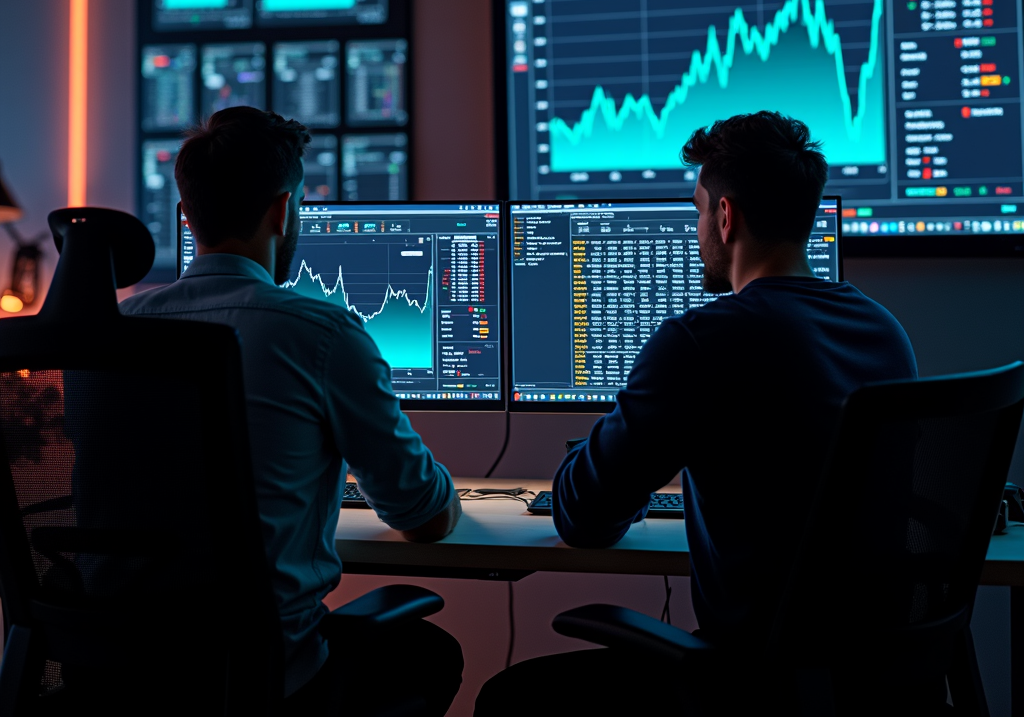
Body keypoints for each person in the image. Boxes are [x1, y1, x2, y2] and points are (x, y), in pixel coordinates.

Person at [474, 111, 920, 716]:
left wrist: (605, 441)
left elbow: (584, 516)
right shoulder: (885, 332)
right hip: (874, 680)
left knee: (510, 700)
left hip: (750, 681)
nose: (698, 228)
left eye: (697, 210)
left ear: (726, 215)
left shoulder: (705, 340)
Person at [121, 106, 464, 715]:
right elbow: (425, 517)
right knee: (429, 652)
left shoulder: (112, 332)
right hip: (266, 680)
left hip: (122, 673)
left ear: (186, 216)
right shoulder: (322, 334)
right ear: (284, 210)